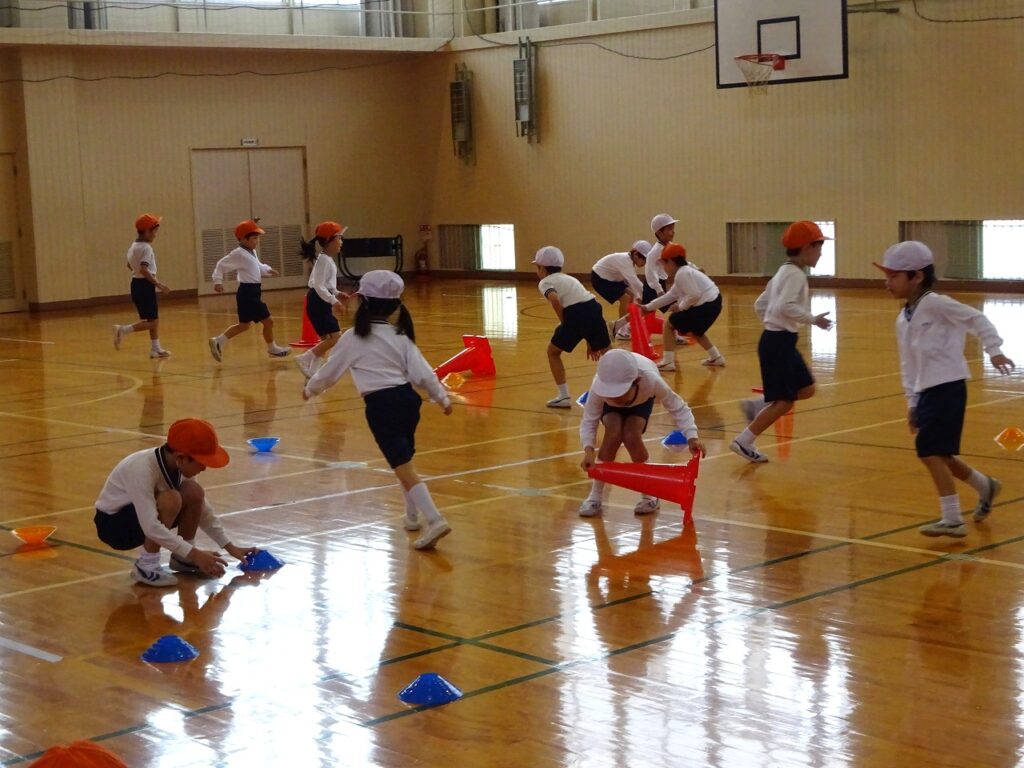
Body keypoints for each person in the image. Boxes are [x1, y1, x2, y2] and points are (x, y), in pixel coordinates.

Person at [303, 270, 454, 550]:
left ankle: (434, 519)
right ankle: (412, 516)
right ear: (395, 306)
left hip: (382, 406)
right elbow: (423, 373)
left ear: (363, 300)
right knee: (405, 462)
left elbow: (330, 373)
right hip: (409, 402)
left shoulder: (352, 337)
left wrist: (311, 389)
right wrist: (441, 398)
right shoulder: (400, 336)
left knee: (403, 466)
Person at [874, 240, 1014, 537]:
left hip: (948, 387)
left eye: (894, 276)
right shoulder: (903, 319)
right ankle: (986, 486)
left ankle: (952, 519)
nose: (887, 282)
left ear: (917, 276)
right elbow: (908, 365)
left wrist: (994, 350)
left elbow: (977, 319)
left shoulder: (936, 303)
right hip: (927, 393)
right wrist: (912, 403)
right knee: (942, 453)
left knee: (928, 450)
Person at [94, 418, 258, 587]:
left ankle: (182, 560)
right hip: (114, 527)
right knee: (171, 499)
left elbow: (203, 510)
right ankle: (146, 566)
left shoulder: (178, 465)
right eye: (202, 462)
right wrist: (195, 555)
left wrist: (230, 547)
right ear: (182, 457)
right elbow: (150, 526)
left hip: (142, 520)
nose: (204, 468)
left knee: (194, 491)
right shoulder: (141, 468)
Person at [732, 220, 833, 463]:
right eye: (819, 247)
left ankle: (758, 406)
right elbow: (784, 306)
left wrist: (771, 325)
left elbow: (761, 305)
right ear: (807, 247)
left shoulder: (783, 272)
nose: (821, 253)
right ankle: (744, 441)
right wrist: (812, 319)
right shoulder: (795, 275)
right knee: (785, 401)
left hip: (778, 340)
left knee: (806, 388)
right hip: (778, 343)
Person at [578, 349, 705, 516]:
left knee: (631, 435)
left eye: (619, 393)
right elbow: (589, 420)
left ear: (636, 381)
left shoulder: (651, 381)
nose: (615, 398)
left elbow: (678, 407)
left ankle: (649, 495)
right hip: (613, 408)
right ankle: (595, 497)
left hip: (641, 402)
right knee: (613, 432)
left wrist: (692, 437)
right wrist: (588, 451)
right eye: (610, 394)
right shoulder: (599, 386)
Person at [534, 245, 611, 408]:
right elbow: (585, 308)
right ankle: (627, 384)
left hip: (576, 313)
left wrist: (565, 323)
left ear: (542, 268)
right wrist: (590, 340)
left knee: (553, 352)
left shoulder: (545, 282)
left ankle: (563, 396)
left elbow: (555, 300)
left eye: (537, 267)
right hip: (594, 307)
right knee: (609, 353)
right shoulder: (569, 279)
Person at [208, 219, 289, 362]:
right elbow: (221, 264)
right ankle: (272, 348)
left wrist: (268, 269)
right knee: (268, 321)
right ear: (243, 239)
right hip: (248, 293)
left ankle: (218, 341)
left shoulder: (251, 252)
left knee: (244, 325)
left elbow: (257, 266)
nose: (257, 241)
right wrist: (218, 281)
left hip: (251, 292)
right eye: (254, 238)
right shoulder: (238, 254)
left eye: (257, 238)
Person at [640, 242, 725, 372]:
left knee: (669, 324)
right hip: (714, 302)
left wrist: (680, 307)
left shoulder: (682, 274)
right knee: (695, 330)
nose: (663, 268)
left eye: (664, 264)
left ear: (671, 262)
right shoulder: (685, 271)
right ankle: (716, 357)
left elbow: (694, 295)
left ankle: (668, 361)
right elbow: (670, 296)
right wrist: (648, 307)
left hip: (707, 304)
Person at [295, 221, 351, 379]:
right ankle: (303, 358)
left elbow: (326, 285)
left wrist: (337, 293)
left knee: (326, 340)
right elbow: (319, 286)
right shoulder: (324, 260)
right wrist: (334, 301)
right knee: (335, 337)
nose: (341, 242)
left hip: (318, 301)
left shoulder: (326, 259)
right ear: (328, 241)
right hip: (318, 302)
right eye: (339, 238)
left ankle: (312, 375)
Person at [113, 213, 171, 358]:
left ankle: (156, 349)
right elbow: (144, 270)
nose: (156, 235)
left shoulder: (133, 246)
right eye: (154, 231)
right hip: (145, 286)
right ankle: (123, 330)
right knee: (153, 322)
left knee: (152, 319)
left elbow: (129, 265)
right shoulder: (146, 248)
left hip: (136, 284)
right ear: (146, 231)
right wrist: (159, 284)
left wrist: (139, 275)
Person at [590, 241, 652, 340]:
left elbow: (631, 282)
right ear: (636, 255)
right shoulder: (625, 261)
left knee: (631, 296)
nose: (645, 263)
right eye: (644, 259)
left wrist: (639, 296)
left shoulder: (628, 261)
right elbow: (634, 282)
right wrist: (648, 295)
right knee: (625, 298)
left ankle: (623, 325)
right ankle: (621, 331)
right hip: (600, 278)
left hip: (612, 278)